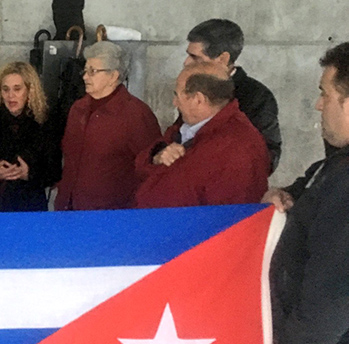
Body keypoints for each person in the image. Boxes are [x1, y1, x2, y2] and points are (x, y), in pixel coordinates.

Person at [265, 42, 349, 344]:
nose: (319, 105)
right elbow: (316, 188)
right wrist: (289, 195)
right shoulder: (335, 166)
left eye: (325, 94)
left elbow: (333, 287)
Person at [134, 62, 268, 208]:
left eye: (177, 95)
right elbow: (141, 165)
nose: (174, 103)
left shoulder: (238, 147)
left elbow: (230, 215)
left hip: (186, 227)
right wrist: (157, 155)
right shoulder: (189, 125)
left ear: (198, 99)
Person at [54, 41, 161, 210]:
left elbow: (151, 167)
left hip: (111, 214)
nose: (85, 76)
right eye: (85, 70)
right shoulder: (78, 109)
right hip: (69, 209)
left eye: (93, 71)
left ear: (113, 76)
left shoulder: (136, 115)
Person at [185, 18, 282, 174]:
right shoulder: (192, 87)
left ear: (223, 59)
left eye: (196, 58)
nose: (186, 63)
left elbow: (267, 157)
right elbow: (178, 134)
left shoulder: (257, 97)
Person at [0, 62, 61, 212]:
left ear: (30, 90)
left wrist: (28, 174)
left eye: (17, 89)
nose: (11, 95)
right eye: (5, 89)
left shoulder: (44, 123)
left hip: (27, 209)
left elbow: (54, 171)